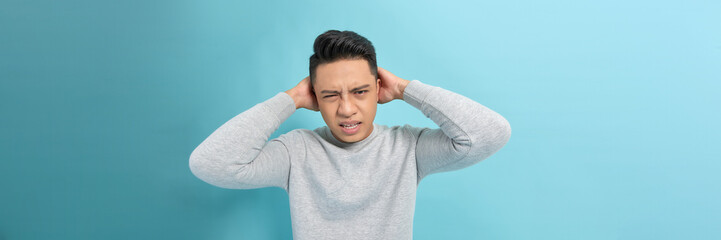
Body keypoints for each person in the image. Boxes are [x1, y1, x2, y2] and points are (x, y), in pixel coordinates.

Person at [189, 30, 512, 240]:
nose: (346, 109)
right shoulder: (295, 151)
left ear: (377, 89)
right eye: (330, 95)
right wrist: (288, 100)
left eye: (359, 92)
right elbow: (211, 164)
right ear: (314, 96)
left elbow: (488, 134)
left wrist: (405, 89)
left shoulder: (408, 147)